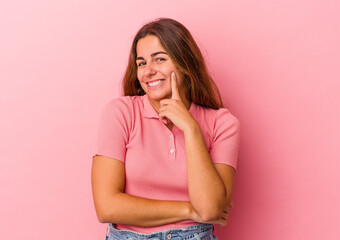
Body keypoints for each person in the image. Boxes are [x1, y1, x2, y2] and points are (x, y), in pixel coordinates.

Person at [91, 18, 240, 240]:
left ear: (185, 64)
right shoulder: (120, 113)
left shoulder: (222, 124)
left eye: (159, 59)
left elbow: (209, 210)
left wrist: (191, 129)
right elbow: (106, 207)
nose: (148, 71)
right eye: (141, 63)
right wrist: (189, 210)